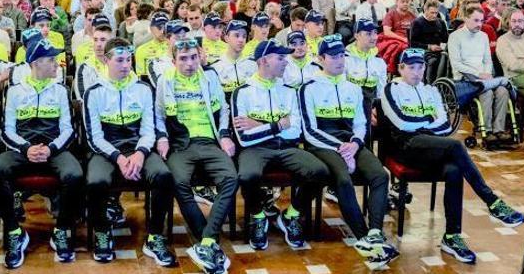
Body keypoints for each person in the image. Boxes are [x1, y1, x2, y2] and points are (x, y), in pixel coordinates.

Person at [381, 48, 524, 264]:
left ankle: (452, 236)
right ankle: (492, 201)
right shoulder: (391, 89)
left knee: (454, 169)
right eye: (411, 67)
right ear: (401, 68)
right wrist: (428, 121)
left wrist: (424, 123)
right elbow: (401, 123)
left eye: (420, 67)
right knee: (456, 146)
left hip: (431, 145)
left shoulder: (431, 91)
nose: (417, 72)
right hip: (405, 147)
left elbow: (444, 124)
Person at [300, 34, 399, 268]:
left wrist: (354, 144)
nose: (339, 60)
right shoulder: (309, 88)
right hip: (322, 145)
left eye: (342, 55)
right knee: (343, 179)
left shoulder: (353, 89)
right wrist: (340, 149)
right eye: (333, 56)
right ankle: (363, 237)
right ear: (321, 58)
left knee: (380, 175)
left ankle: (374, 232)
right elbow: (309, 131)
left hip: (351, 143)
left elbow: (360, 124)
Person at [82, 38, 177, 266]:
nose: (126, 65)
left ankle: (155, 236)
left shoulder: (143, 89)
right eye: (120, 60)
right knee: (95, 182)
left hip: (137, 146)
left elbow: (149, 130)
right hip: (107, 150)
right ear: (106, 60)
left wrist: (140, 153)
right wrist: (119, 158)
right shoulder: (93, 92)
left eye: (129, 60)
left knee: (164, 176)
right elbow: (94, 138)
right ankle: (102, 232)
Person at [0, 36, 80, 268]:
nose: (57, 64)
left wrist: (50, 149)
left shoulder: (60, 90)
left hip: (53, 148)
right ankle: (14, 232)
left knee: (75, 174)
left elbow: (69, 130)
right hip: (23, 147)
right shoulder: (16, 91)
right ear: (36, 62)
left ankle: (61, 230)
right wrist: (27, 149)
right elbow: (6, 131)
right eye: (51, 59)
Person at [232, 39, 329, 251]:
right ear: (263, 61)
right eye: (281, 58)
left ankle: (291, 215)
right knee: (247, 176)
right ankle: (258, 216)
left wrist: (259, 124)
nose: (286, 62)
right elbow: (244, 138)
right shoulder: (243, 91)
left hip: (287, 146)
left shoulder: (289, 90)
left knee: (320, 171)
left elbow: (295, 129)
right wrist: (277, 125)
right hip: (255, 149)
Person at [154, 38, 236, 274]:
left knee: (231, 178)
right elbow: (159, 114)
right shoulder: (165, 80)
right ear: (173, 61)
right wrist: (162, 137)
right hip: (181, 144)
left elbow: (223, 108)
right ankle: (207, 240)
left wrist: (225, 135)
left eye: (193, 57)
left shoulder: (210, 77)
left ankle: (207, 242)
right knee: (178, 183)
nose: (190, 63)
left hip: (210, 141)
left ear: (200, 56)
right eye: (183, 59)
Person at [448, 4, 514, 146]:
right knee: (487, 92)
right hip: (465, 78)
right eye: (476, 20)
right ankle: (487, 131)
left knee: (502, 91)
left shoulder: (483, 36)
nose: (480, 24)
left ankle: (499, 130)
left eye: (482, 21)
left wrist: (487, 73)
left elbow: (487, 60)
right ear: (466, 19)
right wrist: (479, 74)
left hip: (484, 77)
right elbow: (457, 64)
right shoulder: (455, 37)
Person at [345, 19, 388, 104]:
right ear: (357, 36)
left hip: (372, 104)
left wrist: (378, 108)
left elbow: (381, 90)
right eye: (368, 34)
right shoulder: (345, 58)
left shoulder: (379, 60)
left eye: (375, 32)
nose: (374, 37)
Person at [211, 20, 257, 97]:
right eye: (236, 35)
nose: (241, 40)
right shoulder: (216, 67)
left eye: (244, 36)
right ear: (226, 38)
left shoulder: (253, 64)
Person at [409, 0, 448, 83]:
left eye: (436, 13)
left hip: (440, 50)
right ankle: (430, 83)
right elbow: (413, 43)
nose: (434, 15)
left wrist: (443, 46)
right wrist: (429, 47)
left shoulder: (440, 22)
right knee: (434, 61)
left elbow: (446, 39)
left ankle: (442, 83)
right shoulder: (417, 23)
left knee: (448, 60)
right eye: (432, 13)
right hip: (424, 51)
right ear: (425, 10)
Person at [74, 22, 114, 99]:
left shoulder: (120, 64)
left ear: (111, 42)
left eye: (103, 40)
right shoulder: (85, 67)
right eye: (95, 40)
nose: (98, 44)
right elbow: (83, 99)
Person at [135, 11, 170, 79]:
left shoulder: (175, 46)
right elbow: (141, 78)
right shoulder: (141, 50)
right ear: (151, 28)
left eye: (165, 27)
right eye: (159, 27)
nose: (162, 31)